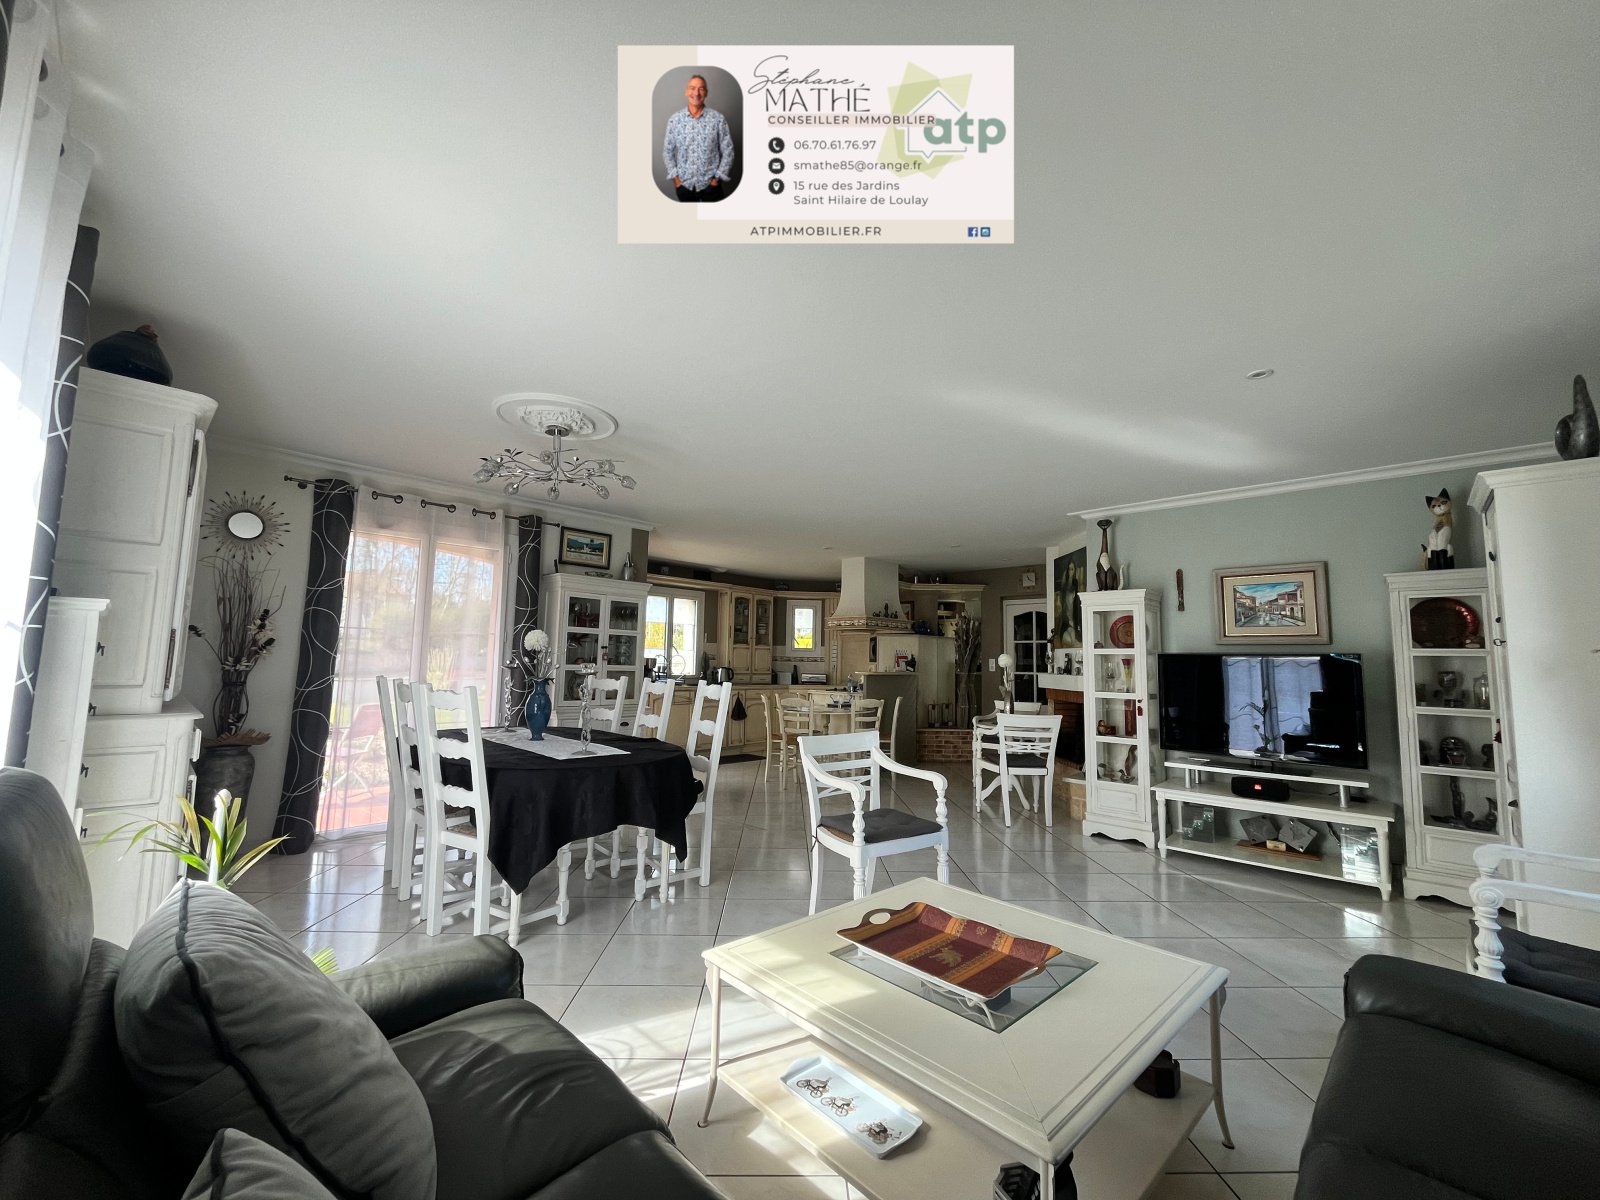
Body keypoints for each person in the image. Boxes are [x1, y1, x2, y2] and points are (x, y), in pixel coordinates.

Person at [662, 74, 734, 202]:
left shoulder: (718, 119)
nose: (696, 93)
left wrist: (716, 180)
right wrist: (677, 181)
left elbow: (728, 151)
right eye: (692, 88)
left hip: (711, 187)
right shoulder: (675, 120)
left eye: (701, 89)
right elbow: (667, 151)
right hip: (685, 186)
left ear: (706, 93)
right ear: (686, 91)